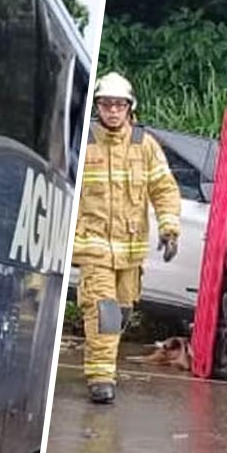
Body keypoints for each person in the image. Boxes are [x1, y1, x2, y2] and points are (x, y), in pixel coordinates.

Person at [72, 72, 182, 404]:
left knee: (119, 315)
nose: (112, 111)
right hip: (94, 248)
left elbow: (164, 189)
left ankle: (104, 363)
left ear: (129, 107)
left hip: (130, 254)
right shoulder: (85, 141)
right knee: (103, 311)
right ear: (98, 107)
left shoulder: (143, 145)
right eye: (106, 105)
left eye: (119, 105)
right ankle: (101, 378)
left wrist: (170, 228)